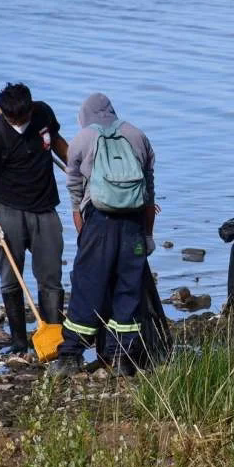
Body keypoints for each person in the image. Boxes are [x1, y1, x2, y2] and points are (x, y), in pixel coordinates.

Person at [51, 93, 156, 376]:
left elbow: (74, 189)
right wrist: (147, 236)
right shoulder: (138, 136)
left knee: (88, 287)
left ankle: (70, 356)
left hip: (99, 221)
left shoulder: (82, 140)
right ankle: (121, 358)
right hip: (133, 224)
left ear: (85, 115)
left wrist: (82, 226)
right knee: (128, 290)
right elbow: (148, 192)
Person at [0, 83, 67, 355]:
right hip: (9, 211)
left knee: (50, 277)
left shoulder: (43, 114)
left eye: (23, 117)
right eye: (14, 119)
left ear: (30, 107)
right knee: (11, 278)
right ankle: (18, 342)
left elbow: (59, 145)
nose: (19, 123)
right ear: (5, 114)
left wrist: (78, 168)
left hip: (45, 209)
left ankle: (53, 337)